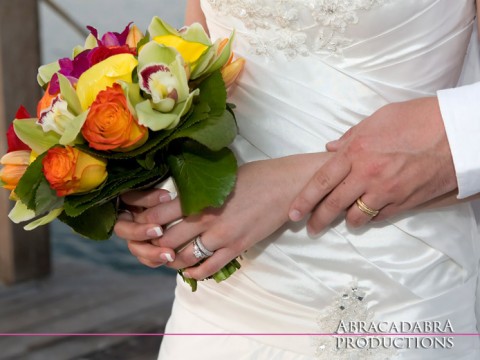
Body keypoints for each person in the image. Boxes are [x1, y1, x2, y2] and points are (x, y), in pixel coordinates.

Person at [114, 0, 480, 358]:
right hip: (219, 303)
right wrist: (146, 178)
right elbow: (202, 62)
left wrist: (290, 185)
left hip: (390, 296)